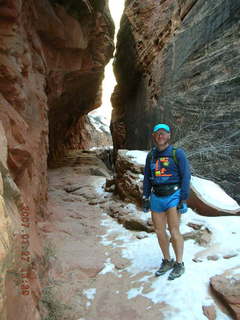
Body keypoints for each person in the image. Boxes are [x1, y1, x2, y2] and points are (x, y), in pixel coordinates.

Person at [142, 123, 191, 280]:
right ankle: (167, 260)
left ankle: (179, 263)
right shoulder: (151, 156)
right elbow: (147, 178)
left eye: (163, 133)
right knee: (159, 231)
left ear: (169, 135)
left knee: (174, 231)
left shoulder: (178, 153)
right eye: (157, 134)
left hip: (173, 195)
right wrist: (145, 196)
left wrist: (183, 199)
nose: (160, 136)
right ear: (154, 136)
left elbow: (186, 176)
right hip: (156, 195)